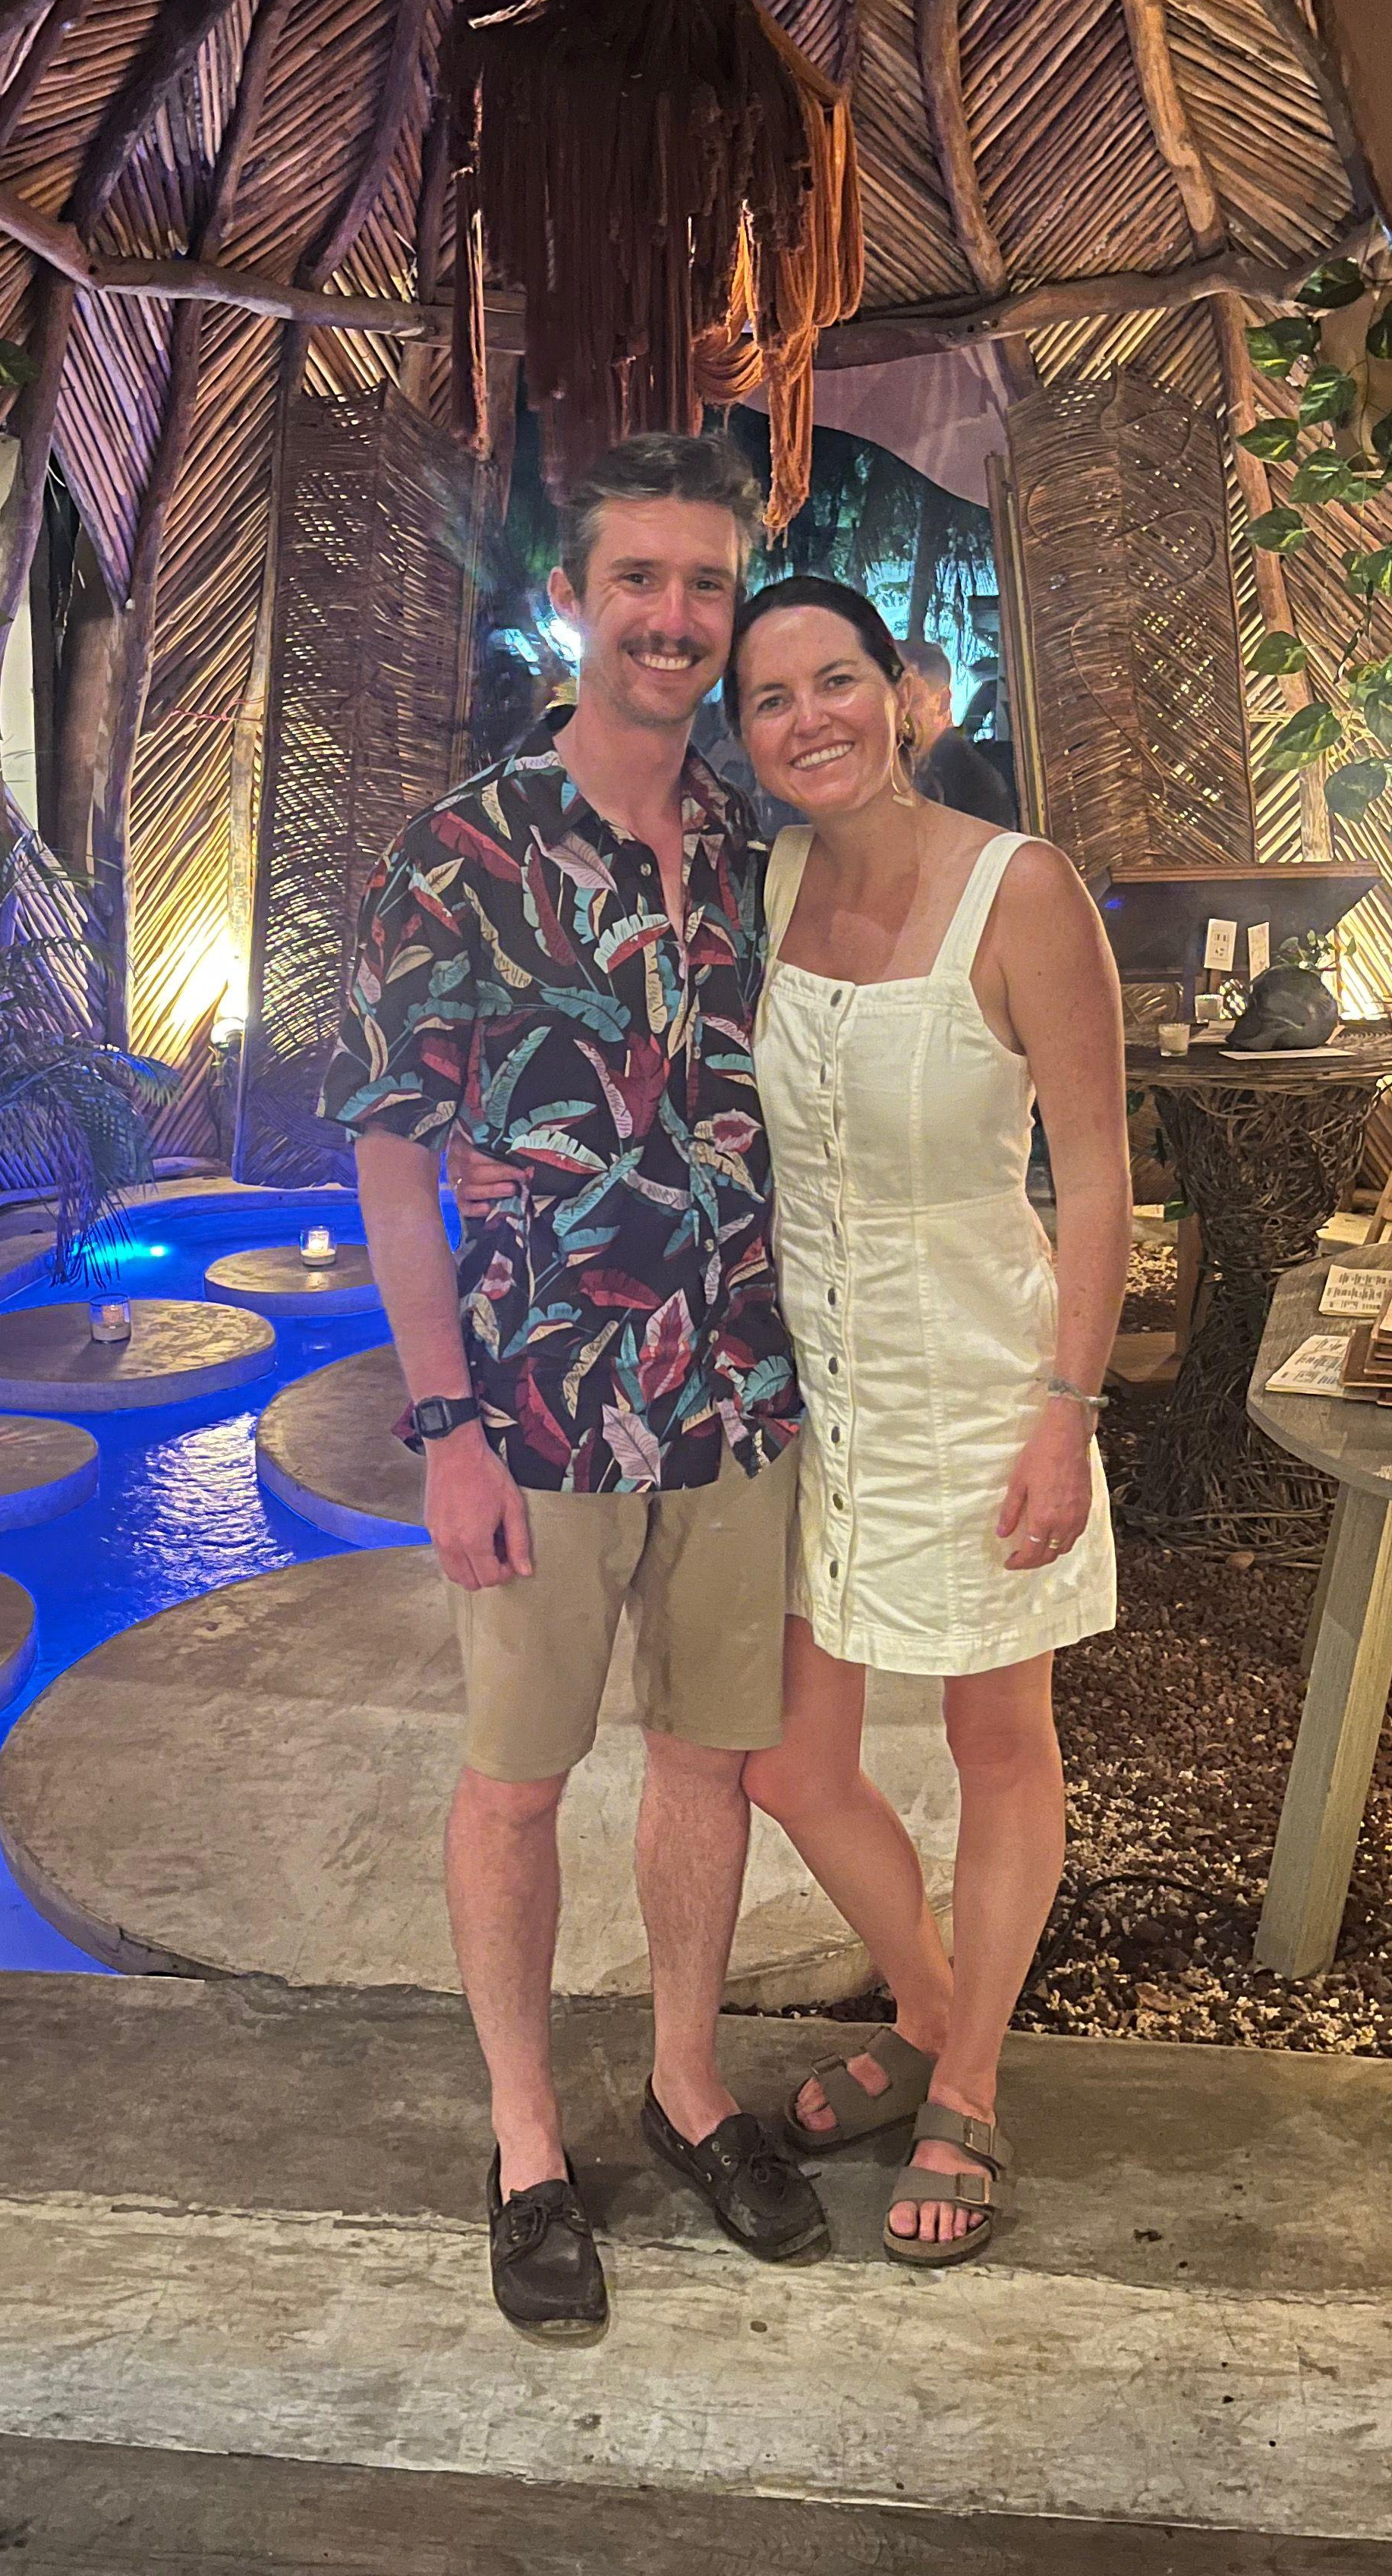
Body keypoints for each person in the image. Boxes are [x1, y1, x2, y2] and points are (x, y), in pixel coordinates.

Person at [455, 577, 1129, 2266]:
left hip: (981, 1380)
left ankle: (964, 2084)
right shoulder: (759, 887)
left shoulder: (1020, 891)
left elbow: (1102, 1175)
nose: (809, 716)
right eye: (770, 698)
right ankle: (932, 2000)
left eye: (838, 679)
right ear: (742, 738)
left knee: (998, 1739)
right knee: (786, 1761)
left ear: (903, 692)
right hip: (798, 1391)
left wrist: (1067, 1409)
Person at [321, 429, 828, 2344]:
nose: (675, 618)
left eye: (706, 585)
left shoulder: (759, 847)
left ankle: (685, 2083)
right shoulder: (461, 855)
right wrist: (444, 1423)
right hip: (538, 1405)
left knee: (709, 1760)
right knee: (517, 1780)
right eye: (641, 581)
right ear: (572, 599)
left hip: (738, 1391)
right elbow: (391, 1160)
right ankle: (528, 2138)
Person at [896, 637, 1021, 827]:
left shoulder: (973, 786)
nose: (898, 715)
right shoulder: (908, 768)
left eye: (912, 701)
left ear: (943, 702)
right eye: (891, 702)